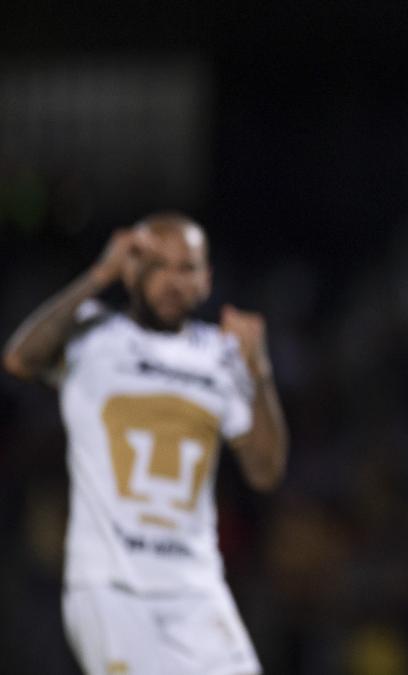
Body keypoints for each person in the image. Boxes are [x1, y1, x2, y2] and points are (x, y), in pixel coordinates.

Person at [3, 212, 287, 675]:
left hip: (195, 587)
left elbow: (266, 472)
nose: (173, 282)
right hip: (111, 586)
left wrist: (261, 373)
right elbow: (20, 358)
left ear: (206, 278)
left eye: (187, 268)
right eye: (158, 266)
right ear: (132, 270)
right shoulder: (93, 336)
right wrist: (98, 275)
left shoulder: (221, 356)